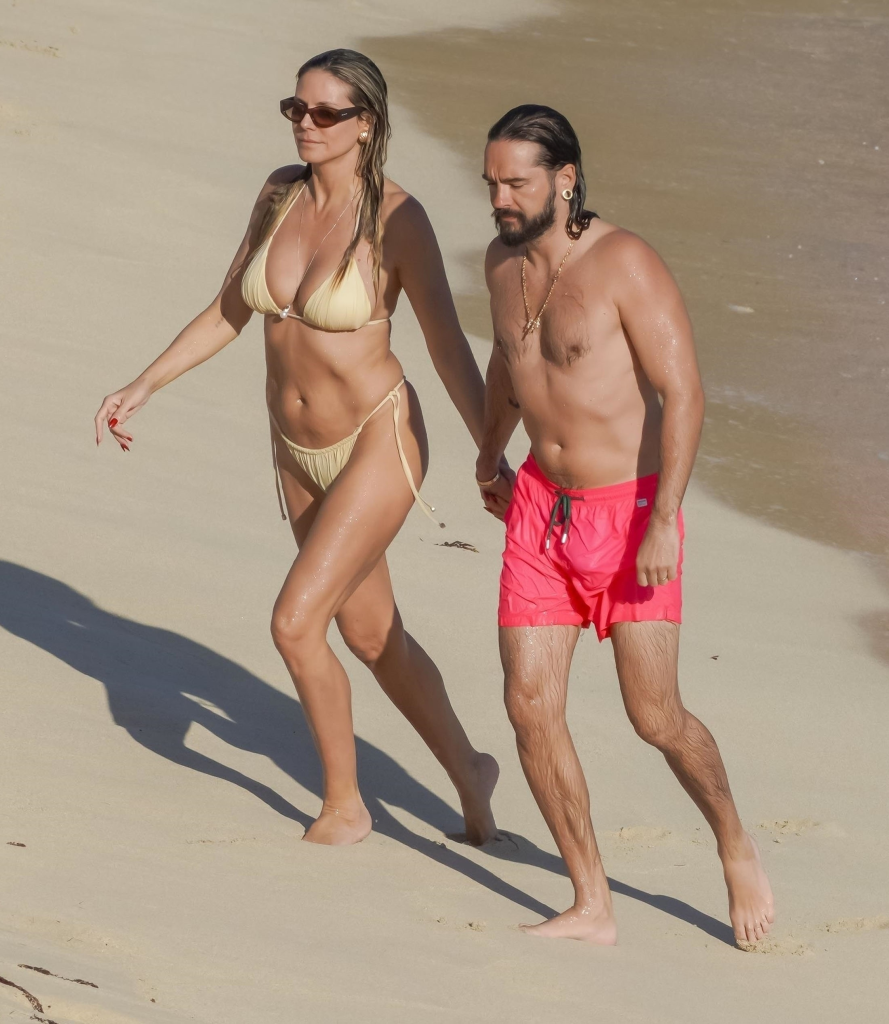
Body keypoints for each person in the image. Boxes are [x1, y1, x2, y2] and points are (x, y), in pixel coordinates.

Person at [94, 49, 500, 847]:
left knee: (293, 623)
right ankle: (470, 769)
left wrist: (492, 451)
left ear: (366, 123)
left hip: (377, 438)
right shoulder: (278, 193)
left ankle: (344, 805)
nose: (305, 125)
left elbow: (448, 348)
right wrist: (145, 383)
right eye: (295, 109)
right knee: (371, 635)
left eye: (325, 113)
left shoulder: (398, 219)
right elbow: (228, 308)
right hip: (294, 448)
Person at [474, 104, 774, 945]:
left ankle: (731, 839)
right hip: (540, 510)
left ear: (564, 179)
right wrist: (489, 454)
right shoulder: (500, 264)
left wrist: (664, 520)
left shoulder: (625, 264)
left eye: (515, 183)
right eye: (490, 182)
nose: (498, 199)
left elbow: (684, 393)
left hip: (631, 513)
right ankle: (590, 901)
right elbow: (507, 363)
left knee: (655, 717)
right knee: (529, 707)